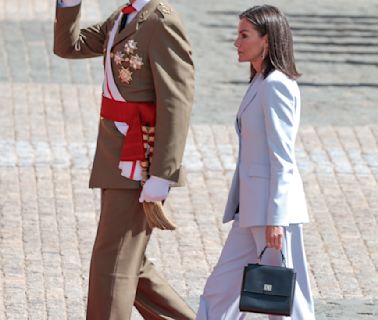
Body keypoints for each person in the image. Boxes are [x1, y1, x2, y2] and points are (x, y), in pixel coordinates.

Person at [54, 0, 195, 319]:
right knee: (130, 263)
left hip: (139, 160)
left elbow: (177, 100)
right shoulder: (126, 15)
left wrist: (163, 174)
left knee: (112, 264)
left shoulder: (161, 21)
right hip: (115, 155)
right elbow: (69, 45)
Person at [196, 5, 315, 320]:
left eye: (244, 35)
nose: (237, 42)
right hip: (249, 211)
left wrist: (276, 217)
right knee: (220, 290)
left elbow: (282, 157)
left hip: (270, 214)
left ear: (267, 40)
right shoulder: (261, 81)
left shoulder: (276, 86)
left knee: (287, 300)